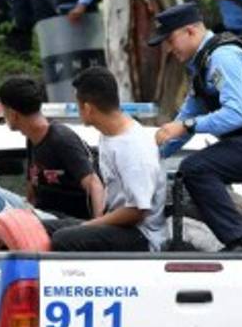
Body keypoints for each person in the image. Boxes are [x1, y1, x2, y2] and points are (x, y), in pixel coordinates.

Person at [152, 3, 242, 253]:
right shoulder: (202, 65)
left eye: (170, 39)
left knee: (196, 169)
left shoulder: (222, 56)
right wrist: (153, 154)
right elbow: (185, 119)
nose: (168, 48)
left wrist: (188, 126)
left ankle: (239, 242)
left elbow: (235, 114)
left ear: (190, 31)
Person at [44, 66, 166, 252]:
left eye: (78, 105)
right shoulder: (107, 135)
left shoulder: (133, 146)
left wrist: (91, 225)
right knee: (43, 227)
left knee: (64, 238)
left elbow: (138, 211)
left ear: (87, 108)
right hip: (117, 225)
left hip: (141, 234)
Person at [0, 76, 105, 232]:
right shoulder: (32, 139)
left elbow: (94, 183)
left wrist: (98, 226)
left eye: (3, 110)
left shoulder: (61, 138)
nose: (4, 116)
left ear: (13, 114)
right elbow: (31, 195)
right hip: (38, 214)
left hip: (64, 222)